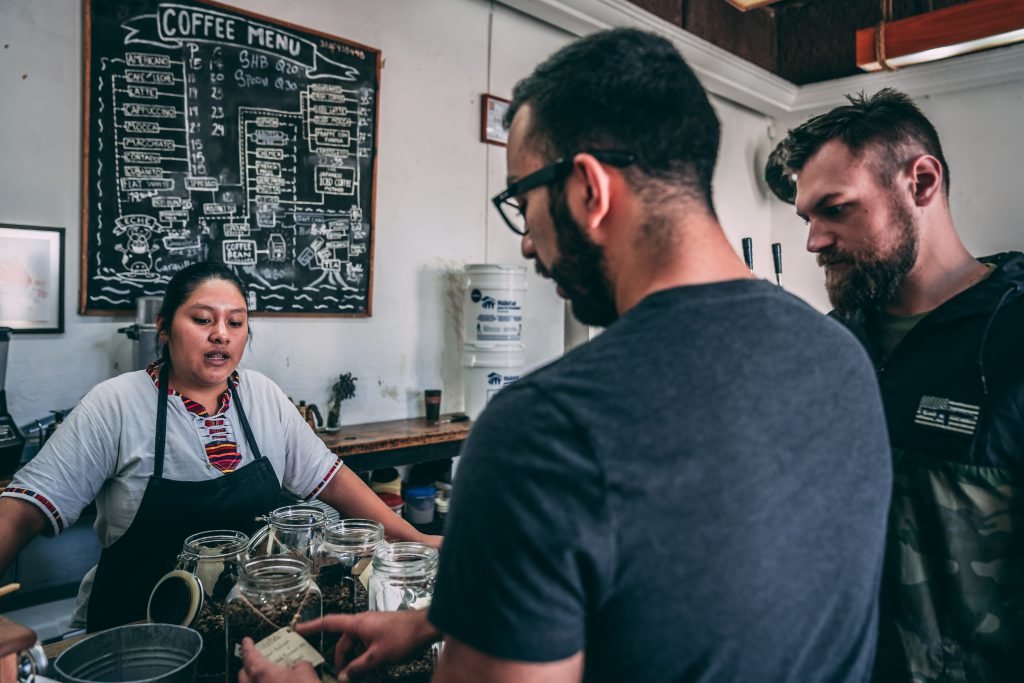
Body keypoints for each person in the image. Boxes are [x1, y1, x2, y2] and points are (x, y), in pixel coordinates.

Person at [241, 28, 892, 683]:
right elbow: (704, 579)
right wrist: (449, 614)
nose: (527, 244)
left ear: (588, 189)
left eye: (524, 203)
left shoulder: (545, 428)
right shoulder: (841, 357)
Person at [0, 261, 438, 632]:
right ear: (165, 328)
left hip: (247, 625)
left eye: (235, 321)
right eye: (202, 319)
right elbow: (21, 511)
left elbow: (334, 479)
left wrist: (416, 540)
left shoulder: (262, 395)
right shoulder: (116, 404)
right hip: (136, 633)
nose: (221, 335)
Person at [766, 89, 1024, 682]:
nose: (814, 241)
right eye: (807, 218)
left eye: (836, 209)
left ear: (922, 183)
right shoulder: (827, 349)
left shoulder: (1014, 339)